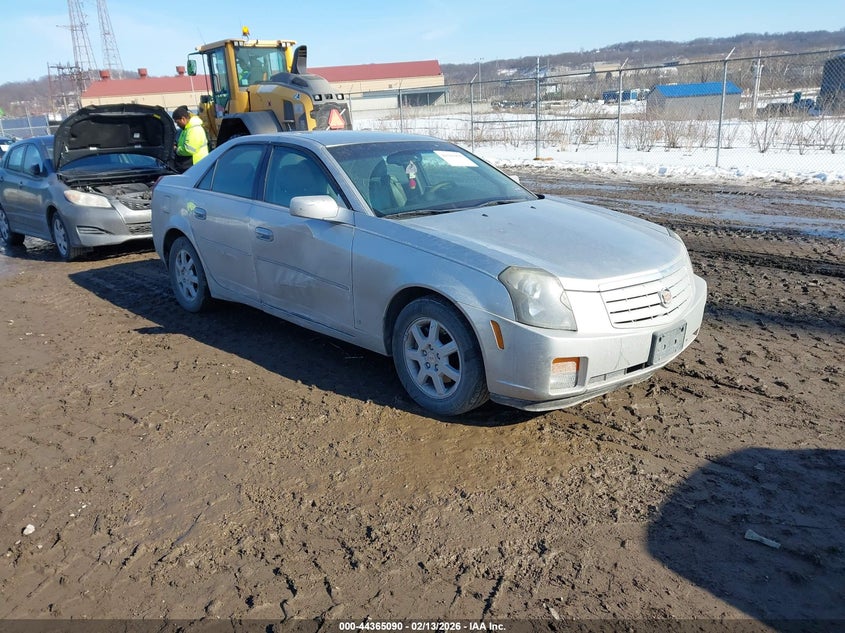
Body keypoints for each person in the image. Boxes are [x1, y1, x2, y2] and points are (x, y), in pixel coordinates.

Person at [172, 106, 208, 172]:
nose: (177, 125)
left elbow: (190, 150)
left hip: (196, 165)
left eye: (177, 122)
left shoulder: (194, 129)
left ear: (183, 119)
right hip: (192, 164)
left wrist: (176, 150)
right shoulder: (186, 129)